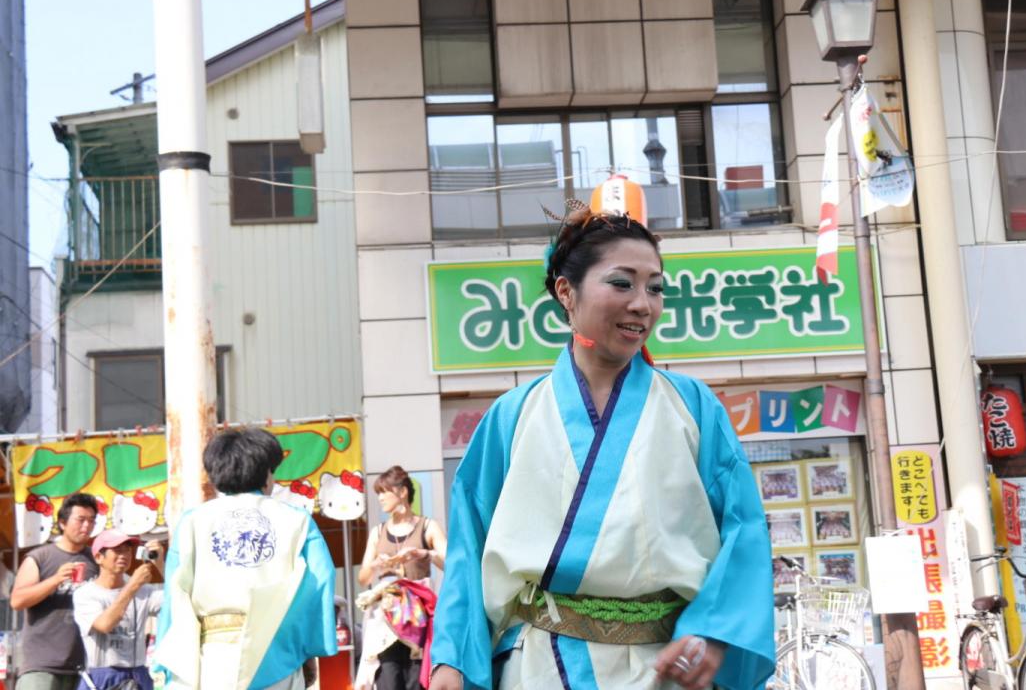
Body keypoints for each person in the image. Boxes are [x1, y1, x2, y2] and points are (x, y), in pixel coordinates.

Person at [429, 208, 775, 690]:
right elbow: (469, 544)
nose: (643, 304)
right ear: (566, 292)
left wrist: (716, 632)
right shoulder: (512, 416)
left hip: (667, 667)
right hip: (542, 667)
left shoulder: (694, 407)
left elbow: (744, 531)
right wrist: (452, 658)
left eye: (655, 287)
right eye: (622, 283)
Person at [154, 427, 338, 689]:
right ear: (265, 474)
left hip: (210, 659)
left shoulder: (193, 521)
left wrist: (167, 663)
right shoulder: (296, 520)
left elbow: (176, 595)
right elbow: (317, 582)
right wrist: (306, 648)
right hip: (275, 654)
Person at [355, 466, 448, 690]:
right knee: (387, 674)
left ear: (403, 492)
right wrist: (377, 565)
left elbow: (450, 562)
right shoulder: (378, 532)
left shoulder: (427, 526)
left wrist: (423, 553)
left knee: (416, 677)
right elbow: (363, 577)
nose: (380, 498)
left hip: (417, 618)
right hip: (386, 619)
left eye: (385, 492)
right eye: (378, 493)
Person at [11, 493, 100, 690]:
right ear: (62, 523)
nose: (87, 526)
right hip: (41, 667)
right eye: (81, 520)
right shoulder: (40, 557)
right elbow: (17, 600)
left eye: (92, 521)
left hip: (83, 666)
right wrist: (55, 580)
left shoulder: (96, 559)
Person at [73, 530, 165, 690]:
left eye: (128, 550)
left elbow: (176, 600)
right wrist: (132, 586)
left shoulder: (143, 591)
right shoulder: (85, 594)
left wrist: (160, 563)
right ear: (98, 557)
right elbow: (104, 625)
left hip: (138, 674)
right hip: (102, 676)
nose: (124, 555)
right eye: (117, 550)